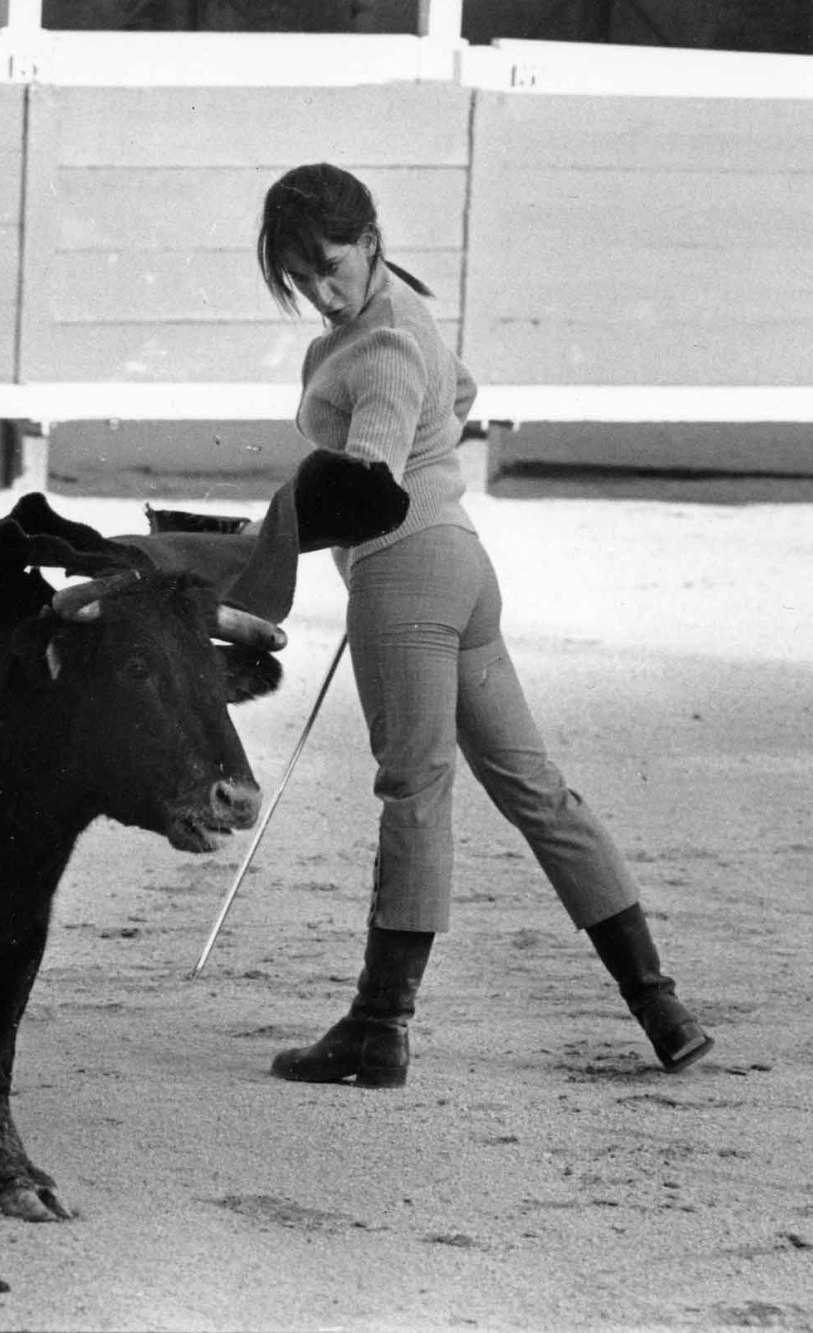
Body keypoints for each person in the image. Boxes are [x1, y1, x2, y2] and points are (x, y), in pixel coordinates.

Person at [253, 162, 713, 1087]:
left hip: (404, 578)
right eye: (299, 277)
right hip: (462, 566)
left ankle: (380, 1027)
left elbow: (366, 481)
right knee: (536, 789)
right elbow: (459, 395)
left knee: (414, 792)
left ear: (371, 242)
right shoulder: (406, 319)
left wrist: (274, 543)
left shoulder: (376, 349)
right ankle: (662, 1010)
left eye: (328, 265)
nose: (317, 290)